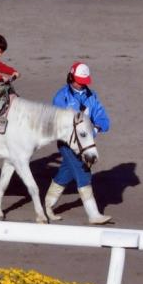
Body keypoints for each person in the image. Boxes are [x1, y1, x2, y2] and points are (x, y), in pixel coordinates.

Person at [44, 61, 112, 224]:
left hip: (84, 144)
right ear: (70, 77)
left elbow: (103, 118)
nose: (82, 86)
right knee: (83, 173)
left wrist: (95, 129)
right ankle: (94, 215)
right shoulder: (61, 97)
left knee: (65, 173)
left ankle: (47, 206)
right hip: (67, 145)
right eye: (79, 82)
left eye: (84, 83)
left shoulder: (91, 96)